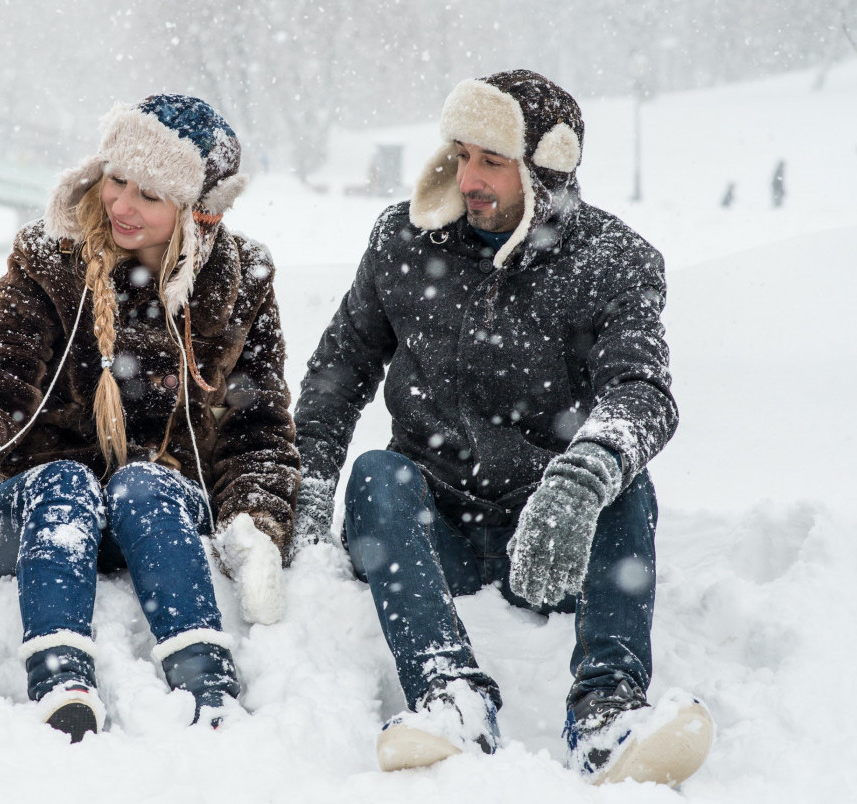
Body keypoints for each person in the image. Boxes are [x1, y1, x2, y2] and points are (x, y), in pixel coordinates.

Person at [0, 95, 299, 742]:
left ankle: (204, 681)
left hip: (155, 518)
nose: (121, 205)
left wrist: (255, 519)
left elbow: (259, 424)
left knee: (146, 484)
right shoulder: (48, 258)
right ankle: (60, 678)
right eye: (117, 179)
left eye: (150, 195)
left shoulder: (243, 276)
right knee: (65, 483)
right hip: (34, 512)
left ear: (197, 211)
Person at [293, 70, 713, 785]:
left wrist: (579, 482)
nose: (468, 177)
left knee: (624, 480)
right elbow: (338, 373)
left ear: (543, 171)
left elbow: (641, 391)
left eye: (491, 161)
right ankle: (447, 693)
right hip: (431, 532)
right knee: (374, 475)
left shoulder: (613, 262)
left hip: (551, 541)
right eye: (460, 154)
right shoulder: (402, 240)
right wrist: (303, 494)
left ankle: (607, 711)